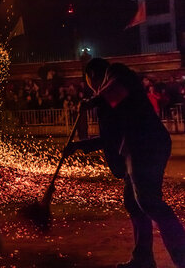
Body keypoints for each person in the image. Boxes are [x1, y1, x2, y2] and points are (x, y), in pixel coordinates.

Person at [64, 58, 185, 268]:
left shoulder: (117, 73)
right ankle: (143, 258)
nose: (94, 89)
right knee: (133, 203)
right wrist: (79, 146)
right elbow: (112, 136)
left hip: (146, 145)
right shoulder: (109, 99)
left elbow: (115, 91)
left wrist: (93, 101)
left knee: (148, 201)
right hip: (134, 147)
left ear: (93, 75)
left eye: (91, 84)